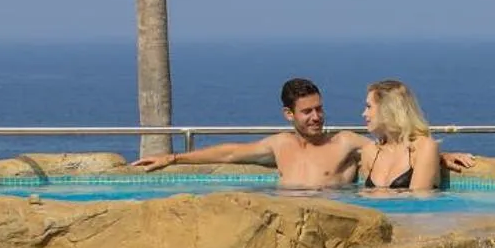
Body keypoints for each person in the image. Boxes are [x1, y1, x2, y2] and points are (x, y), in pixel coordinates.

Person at [129, 77, 364, 188]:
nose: (316, 117)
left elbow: (387, 149)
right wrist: (173, 158)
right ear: (289, 114)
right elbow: (230, 153)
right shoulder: (281, 145)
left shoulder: (344, 142)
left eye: (319, 109)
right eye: (307, 111)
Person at [360, 79, 451, 191]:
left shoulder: (424, 148)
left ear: (387, 109)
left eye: (369, 107)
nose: (364, 113)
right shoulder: (369, 152)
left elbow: (418, 201)